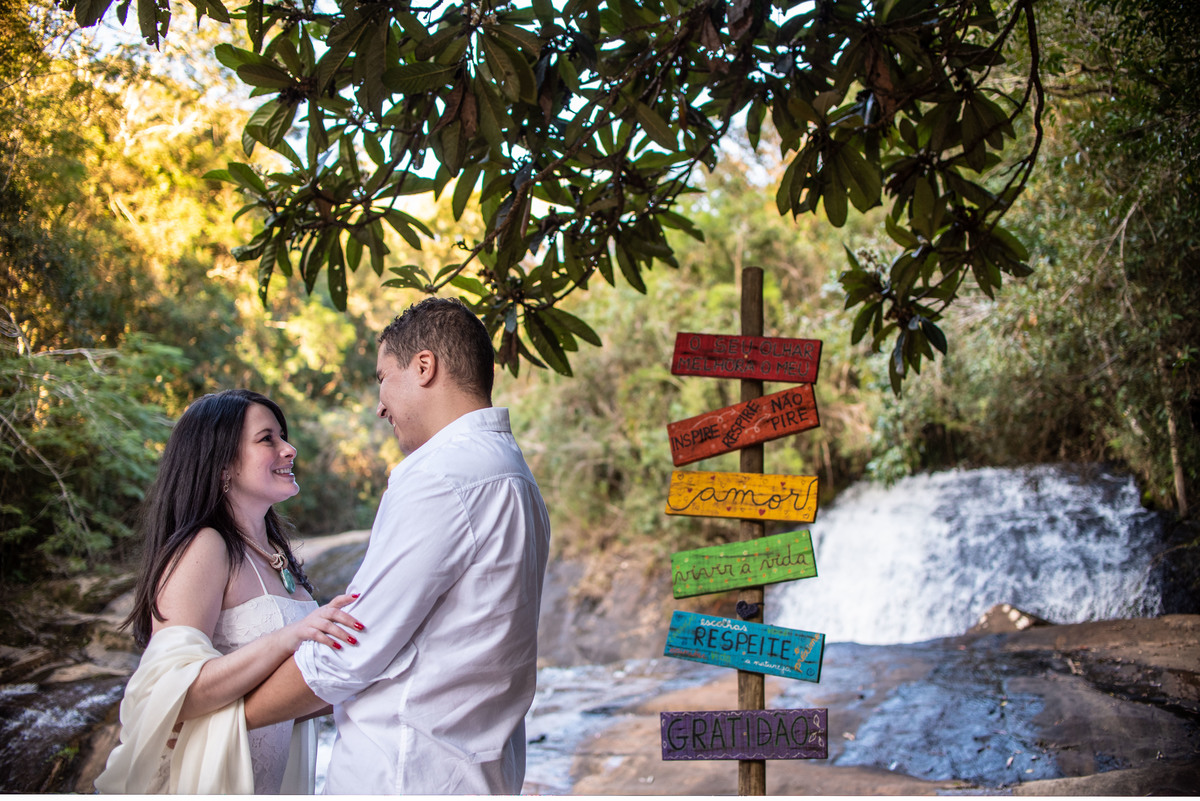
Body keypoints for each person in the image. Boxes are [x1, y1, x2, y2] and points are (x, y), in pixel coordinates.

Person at [243, 297, 552, 794]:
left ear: (424, 367)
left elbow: (351, 645)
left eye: (383, 377)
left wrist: (230, 718)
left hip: (406, 773)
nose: (381, 404)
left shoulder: (442, 475)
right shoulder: (514, 475)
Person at [95, 389, 362, 794]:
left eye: (283, 436)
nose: (289, 449)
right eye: (267, 438)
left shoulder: (276, 555)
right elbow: (168, 694)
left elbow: (276, 700)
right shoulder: (205, 546)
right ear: (222, 466)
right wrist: (287, 637)